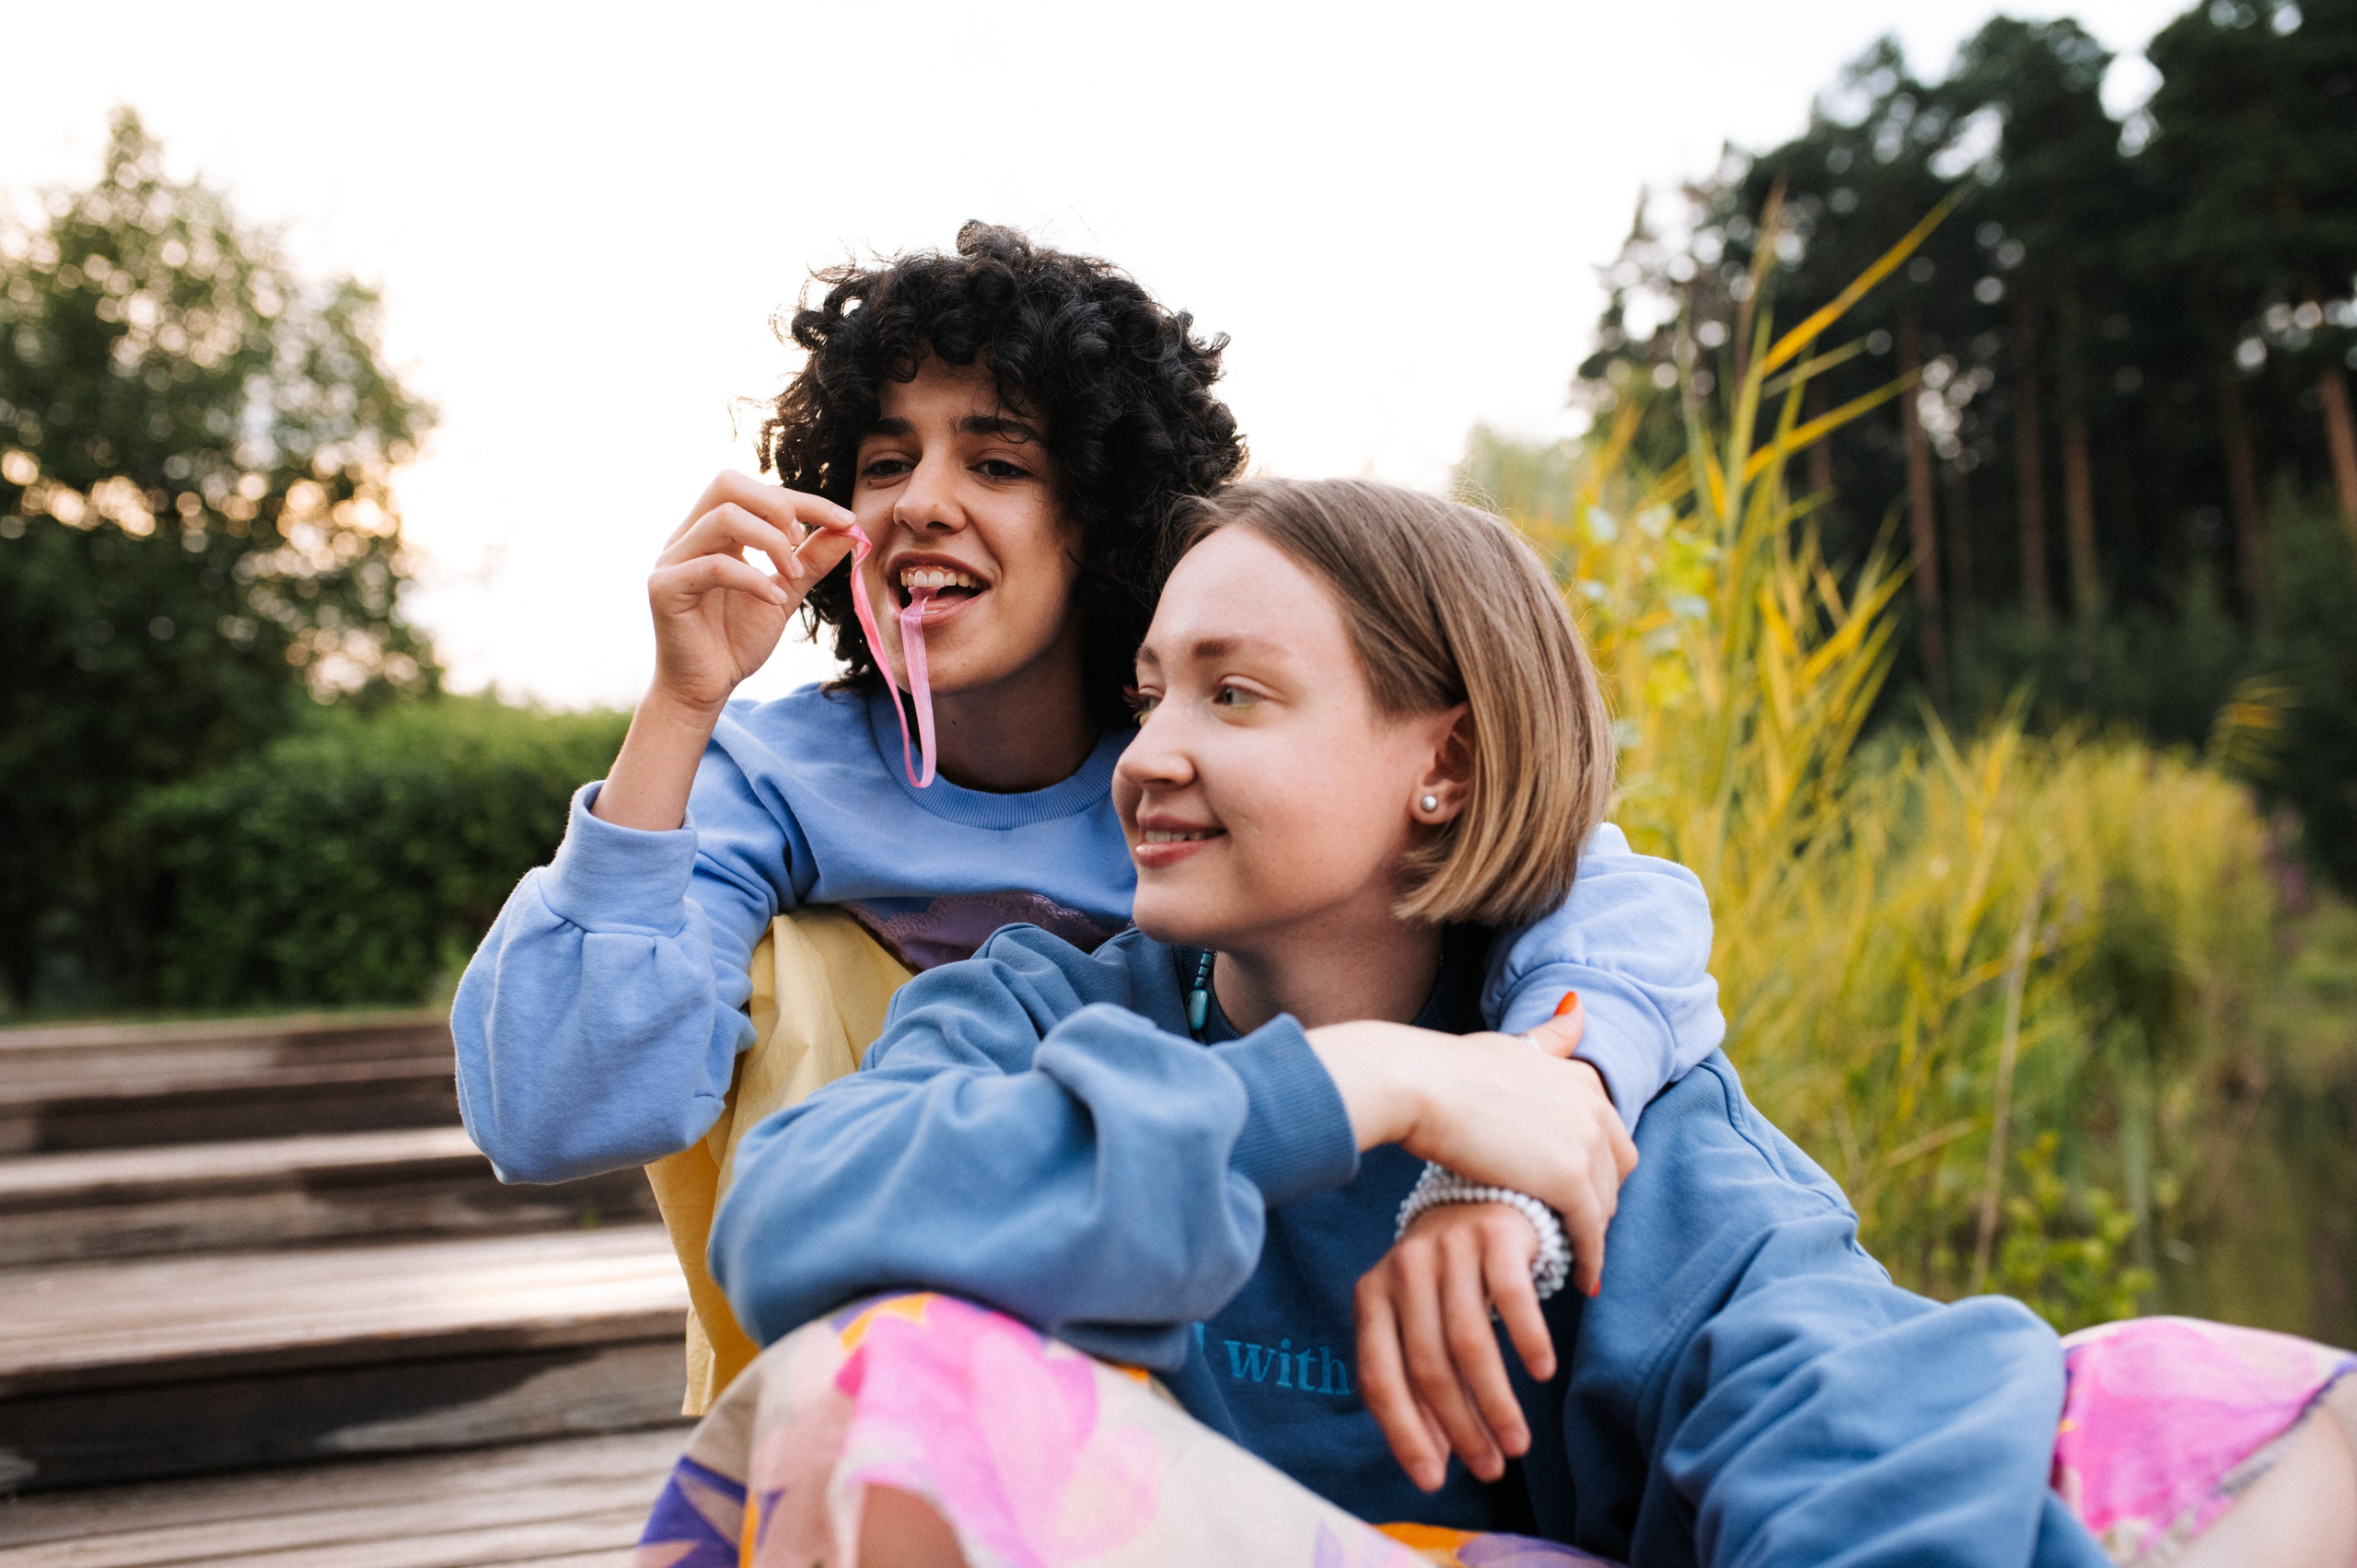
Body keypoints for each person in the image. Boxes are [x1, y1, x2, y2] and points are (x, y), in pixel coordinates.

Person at [637, 478, 2357, 1568]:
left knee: (2232, 1410)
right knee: (874, 1395)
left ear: (1443, 762)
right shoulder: (1042, 1005)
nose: (1148, 752)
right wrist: (1363, 1086)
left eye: (1233, 695)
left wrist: (1493, 1142)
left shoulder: (1619, 1123)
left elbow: (1821, 1399)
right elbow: (798, 1219)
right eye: (1153, 688)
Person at [451, 227, 1723, 1312]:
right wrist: (682, 703)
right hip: (875, 1283)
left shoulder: (1207, 780)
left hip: (1209, 1281)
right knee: (794, 970)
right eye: (884, 461)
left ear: (1105, 514)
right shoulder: (775, 773)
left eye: (996, 463)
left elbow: (1583, 884)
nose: (919, 503)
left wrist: (1547, 1093)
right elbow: (553, 1114)